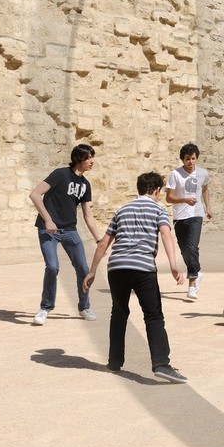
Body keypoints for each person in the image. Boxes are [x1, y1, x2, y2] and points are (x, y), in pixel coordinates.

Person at [83, 172, 187, 382]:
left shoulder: (122, 210)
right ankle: (161, 364)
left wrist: (92, 271)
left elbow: (104, 243)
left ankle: (114, 361)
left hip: (117, 267)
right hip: (142, 267)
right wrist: (174, 265)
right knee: (153, 315)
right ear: (157, 190)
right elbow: (166, 234)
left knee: (119, 312)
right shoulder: (158, 209)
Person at [29, 143, 104, 325]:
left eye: (92, 157)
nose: (92, 161)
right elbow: (35, 194)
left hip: (70, 231)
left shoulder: (85, 184)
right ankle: (45, 308)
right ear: (79, 159)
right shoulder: (60, 174)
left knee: (83, 269)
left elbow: (87, 215)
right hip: (49, 230)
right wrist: (48, 219)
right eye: (88, 158)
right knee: (53, 267)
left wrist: (99, 239)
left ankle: (84, 307)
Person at [165, 143, 211, 300]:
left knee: (192, 248)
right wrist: (184, 199)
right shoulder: (175, 175)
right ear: (182, 159)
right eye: (187, 159)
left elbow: (204, 189)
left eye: (193, 159)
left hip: (196, 216)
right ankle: (197, 271)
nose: (190, 162)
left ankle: (192, 286)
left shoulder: (203, 174)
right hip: (179, 218)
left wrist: (207, 207)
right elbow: (168, 197)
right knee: (185, 251)